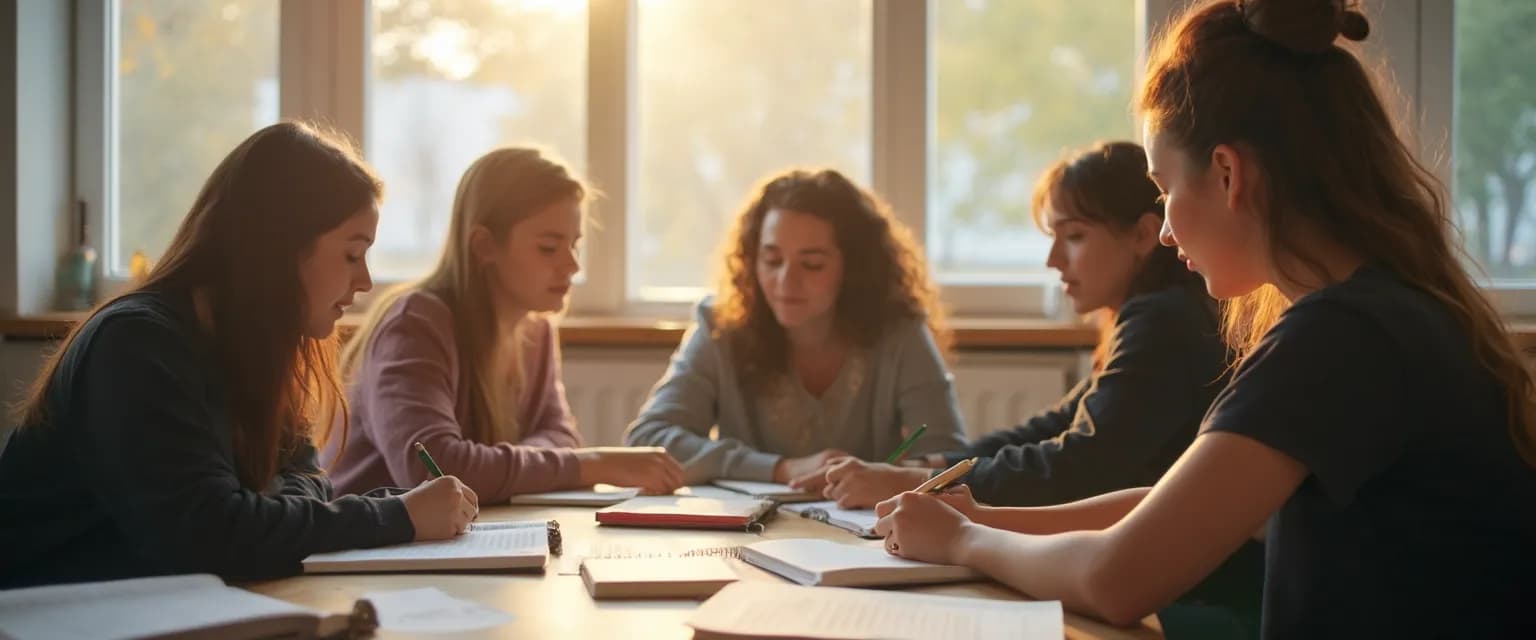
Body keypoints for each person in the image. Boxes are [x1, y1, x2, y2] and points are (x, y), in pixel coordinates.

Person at [872, 1, 1536, 636]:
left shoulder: (1338, 337)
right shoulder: (1391, 309)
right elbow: (1168, 507)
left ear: (1226, 173)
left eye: (1164, 189)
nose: (1164, 231)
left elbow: (1117, 578)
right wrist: (985, 519)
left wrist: (963, 541)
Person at [0, 122, 475, 588]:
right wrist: (396, 515)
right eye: (353, 254)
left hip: (152, 604)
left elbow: (307, 479)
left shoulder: (256, 347)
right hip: (50, 611)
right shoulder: (136, 345)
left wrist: (289, 513)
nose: (366, 281)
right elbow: (212, 534)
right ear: (281, 248)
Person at [818, 141, 1226, 509]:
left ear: (1142, 235)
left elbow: (1080, 463)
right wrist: (932, 466)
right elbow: (1053, 427)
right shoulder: (1153, 316)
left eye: (1074, 236)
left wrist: (922, 482)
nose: (1053, 260)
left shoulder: (1160, 324)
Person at [327, 147, 683, 501]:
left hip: (469, 530)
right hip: (371, 535)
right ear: (484, 246)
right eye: (548, 248)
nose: (573, 266)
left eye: (575, 245)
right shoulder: (416, 324)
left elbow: (561, 437)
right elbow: (434, 470)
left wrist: (501, 465)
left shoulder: (536, 329)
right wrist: (593, 464)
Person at [625, 168, 966, 485]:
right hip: (751, 525)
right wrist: (780, 469)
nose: (786, 281)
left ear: (854, 269)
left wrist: (888, 477)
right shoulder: (721, 326)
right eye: (772, 260)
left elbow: (949, 459)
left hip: (866, 526)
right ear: (751, 260)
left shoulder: (900, 332)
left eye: (812, 264)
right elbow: (648, 439)